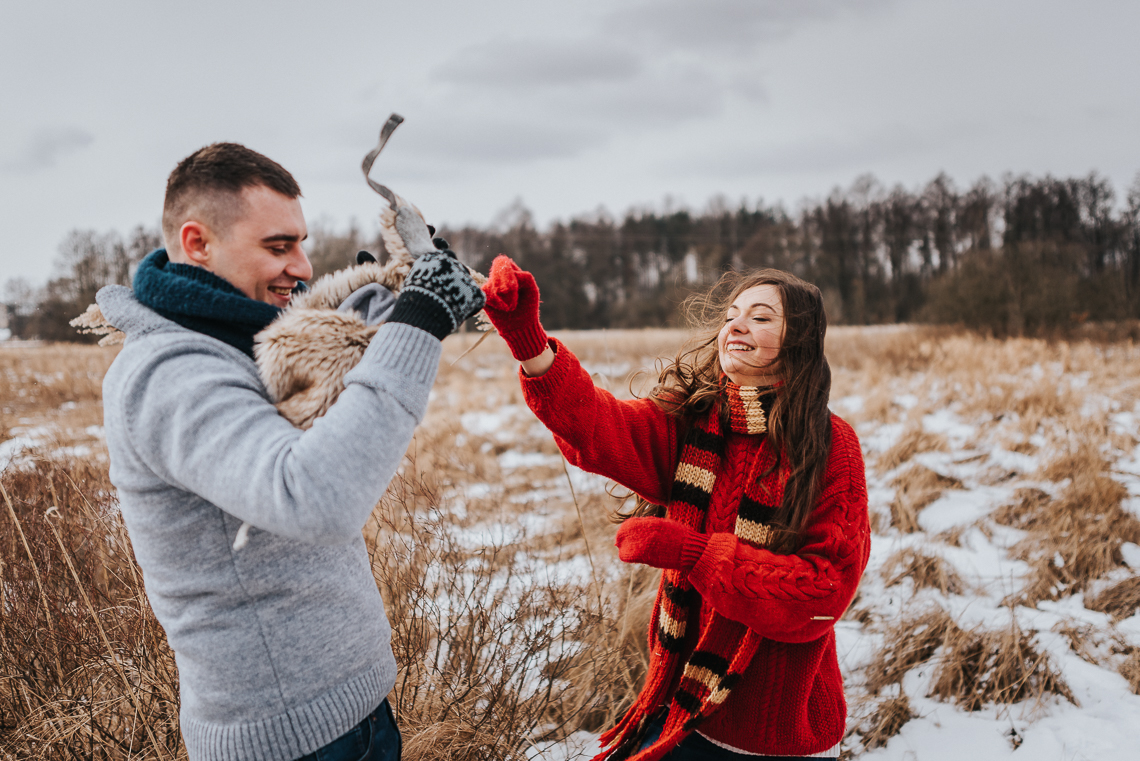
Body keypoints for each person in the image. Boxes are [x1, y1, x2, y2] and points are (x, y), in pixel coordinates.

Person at [98, 142, 485, 761]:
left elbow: (312, 416)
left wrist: (375, 314)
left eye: (302, 243)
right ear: (197, 243)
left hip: (348, 713)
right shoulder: (168, 372)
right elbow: (312, 496)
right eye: (278, 247)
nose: (303, 266)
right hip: (283, 740)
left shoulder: (237, 340)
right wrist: (420, 320)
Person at [480, 257, 870, 761]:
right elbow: (598, 426)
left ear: (800, 338)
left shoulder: (830, 446)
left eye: (761, 316)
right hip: (680, 704)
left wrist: (696, 553)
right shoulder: (697, 423)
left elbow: (824, 592)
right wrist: (529, 342)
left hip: (772, 737)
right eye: (731, 314)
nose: (736, 324)